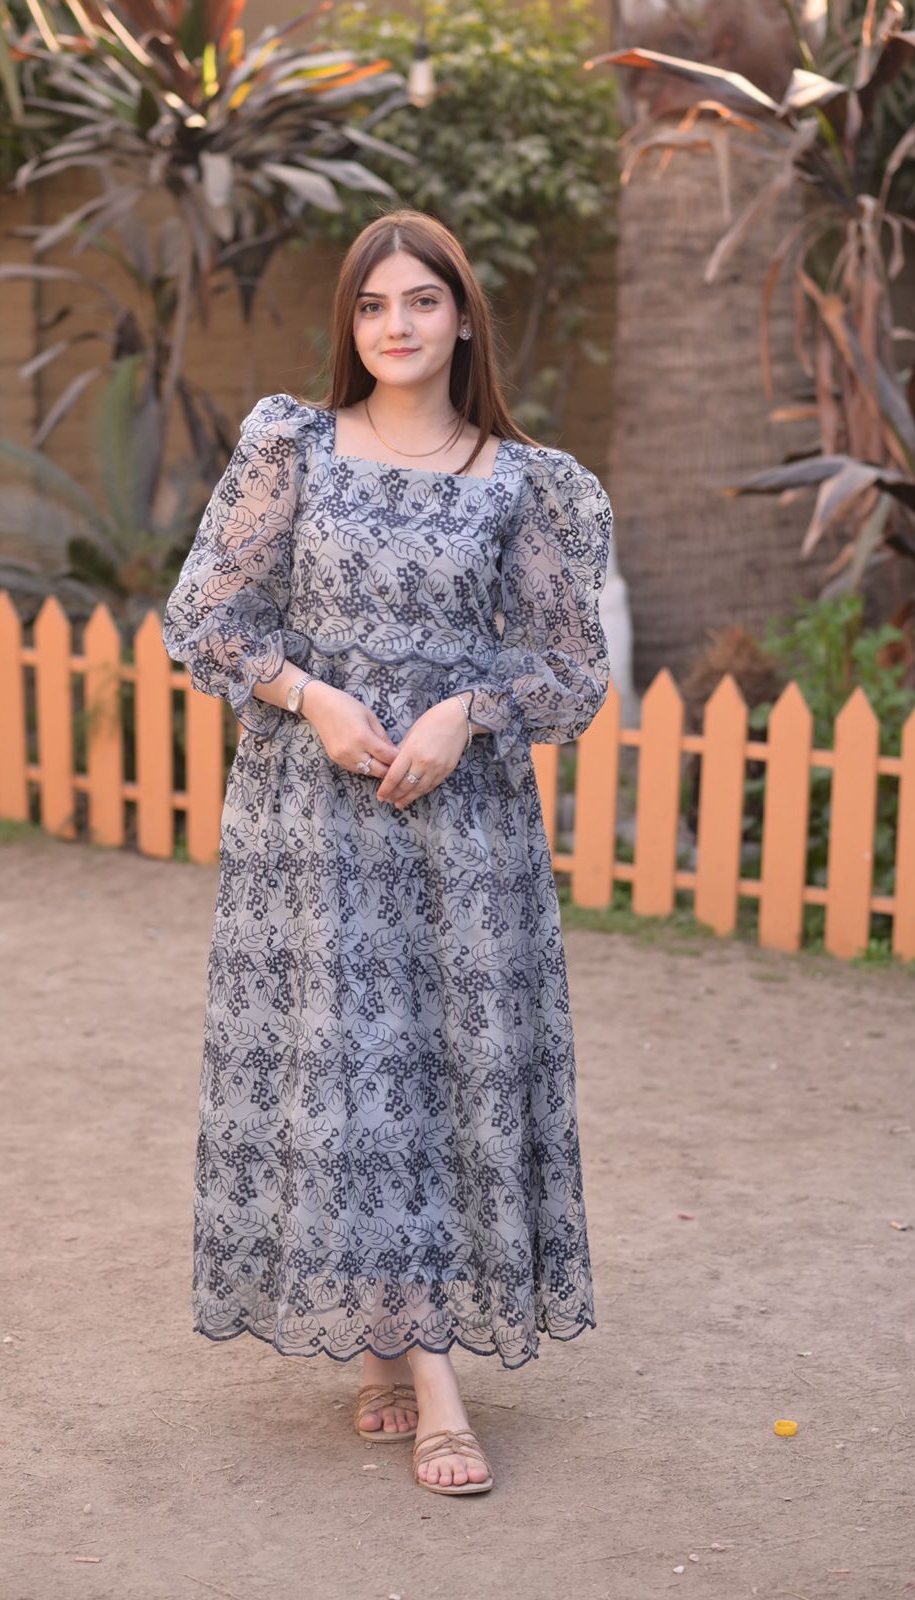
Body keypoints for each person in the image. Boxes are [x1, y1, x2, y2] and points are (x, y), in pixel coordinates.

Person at [162, 208, 613, 1499]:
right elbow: (205, 619)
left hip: (463, 834)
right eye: (373, 305)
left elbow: (572, 668)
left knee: (435, 1077)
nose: (396, 325)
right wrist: (312, 698)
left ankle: (388, 1345)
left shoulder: (523, 484)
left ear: (463, 318)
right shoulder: (292, 446)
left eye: (421, 301)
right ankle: (435, 1386)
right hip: (313, 823)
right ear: (350, 323)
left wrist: (467, 710)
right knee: (351, 1077)